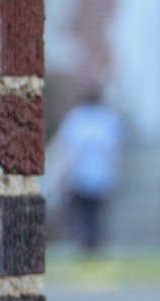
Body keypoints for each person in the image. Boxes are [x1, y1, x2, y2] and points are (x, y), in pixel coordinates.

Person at [46, 85, 125, 254]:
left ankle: (87, 243)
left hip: (81, 176)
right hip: (100, 176)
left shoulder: (77, 118)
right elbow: (114, 149)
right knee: (94, 214)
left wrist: (61, 175)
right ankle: (92, 243)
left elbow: (67, 149)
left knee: (84, 213)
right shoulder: (108, 119)